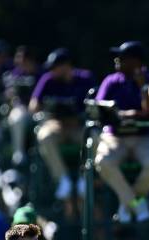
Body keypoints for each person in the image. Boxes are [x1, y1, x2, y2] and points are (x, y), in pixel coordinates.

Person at [95, 41, 149, 223]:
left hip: (145, 136)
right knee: (103, 161)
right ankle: (137, 204)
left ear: (136, 61)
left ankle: (126, 203)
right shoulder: (111, 81)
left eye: (122, 58)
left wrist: (142, 86)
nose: (117, 61)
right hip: (116, 137)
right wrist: (130, 114)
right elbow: (101, 110)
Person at [29, 48, 95, 200]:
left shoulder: (85, 78)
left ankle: (84, 178)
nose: (52, 71)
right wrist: (49, 107)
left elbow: (95, 105)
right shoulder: (48, 79)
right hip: (57, 124)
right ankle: (63, 179)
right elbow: (33, 105)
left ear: (66, 65)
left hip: (80, 126)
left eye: (55, 67)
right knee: (44, 136)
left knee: (94, 137)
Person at [3, 45, 42, 166]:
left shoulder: (41, 74)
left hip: (40, 110)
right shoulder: (16, 74)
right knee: (16, 117)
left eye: (22, 59)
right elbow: (9, 94)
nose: (18, 61)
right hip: (22, 109)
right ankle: (19, 154)